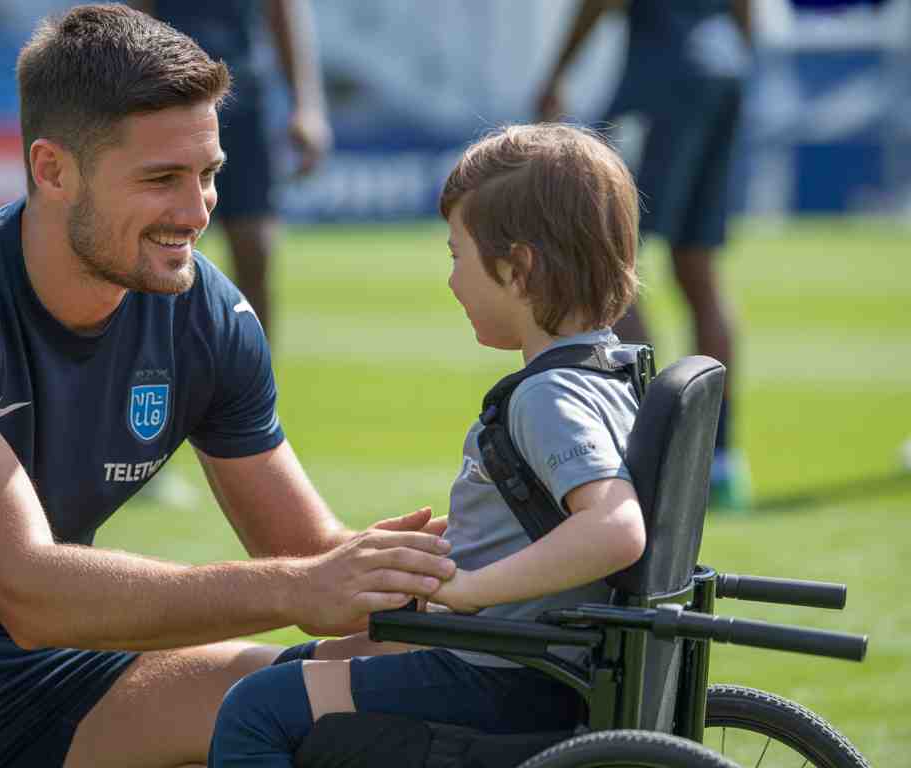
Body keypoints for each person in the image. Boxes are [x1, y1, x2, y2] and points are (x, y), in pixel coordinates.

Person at [0, 6, 455, 767]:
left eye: (208, 176)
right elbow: (28, 589)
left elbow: (315, 559)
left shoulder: (212, 314)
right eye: (162, 179)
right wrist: (300, 587)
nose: (196, 212)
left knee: (363, 683)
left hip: (39, 679)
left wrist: (482, 575)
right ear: (52, 169)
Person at [208, 123, 648, 766]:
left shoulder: (549, 397)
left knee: (256, 708)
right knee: (299, 666)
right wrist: (436, 550)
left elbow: (615, 528)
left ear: (517, 268)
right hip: (533, 663)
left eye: (456, 255)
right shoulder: (610, 377)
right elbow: (550, 520)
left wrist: (473, 587)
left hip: (505, 673)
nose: (451, 282)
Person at [536, 0, 753, 510]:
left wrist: (557, 70)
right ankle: (721, 463)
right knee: (697, 266)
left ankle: (659, 459)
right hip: (725, 67)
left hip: (662, 72)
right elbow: (747, 13)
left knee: (609, 255)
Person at [130, 0, 332, 342]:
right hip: (170, 99)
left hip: (246, 98)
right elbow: (136, 15)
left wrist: (307, 107)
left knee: (255, 248)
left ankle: (254, 380)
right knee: (163, 249)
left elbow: (283, 11)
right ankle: (157, 372)